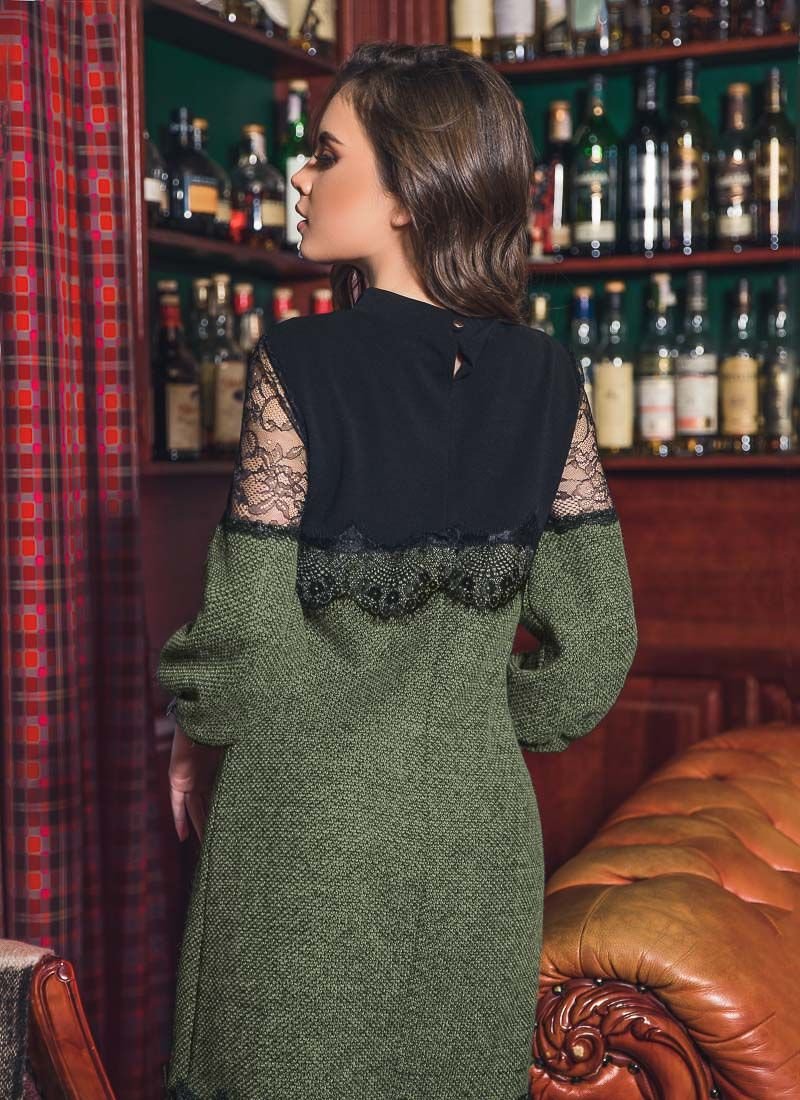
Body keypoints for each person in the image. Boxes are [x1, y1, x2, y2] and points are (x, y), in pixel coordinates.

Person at [157, 41, 638, 1100]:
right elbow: (596, 645)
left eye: (326, 155)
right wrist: (468, 717)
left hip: (310, 831)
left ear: (411, 192)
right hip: (479, 836)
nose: (300, 177)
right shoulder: (548, 374)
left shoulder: (300, 361)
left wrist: (196, 728)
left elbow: (242, 647)